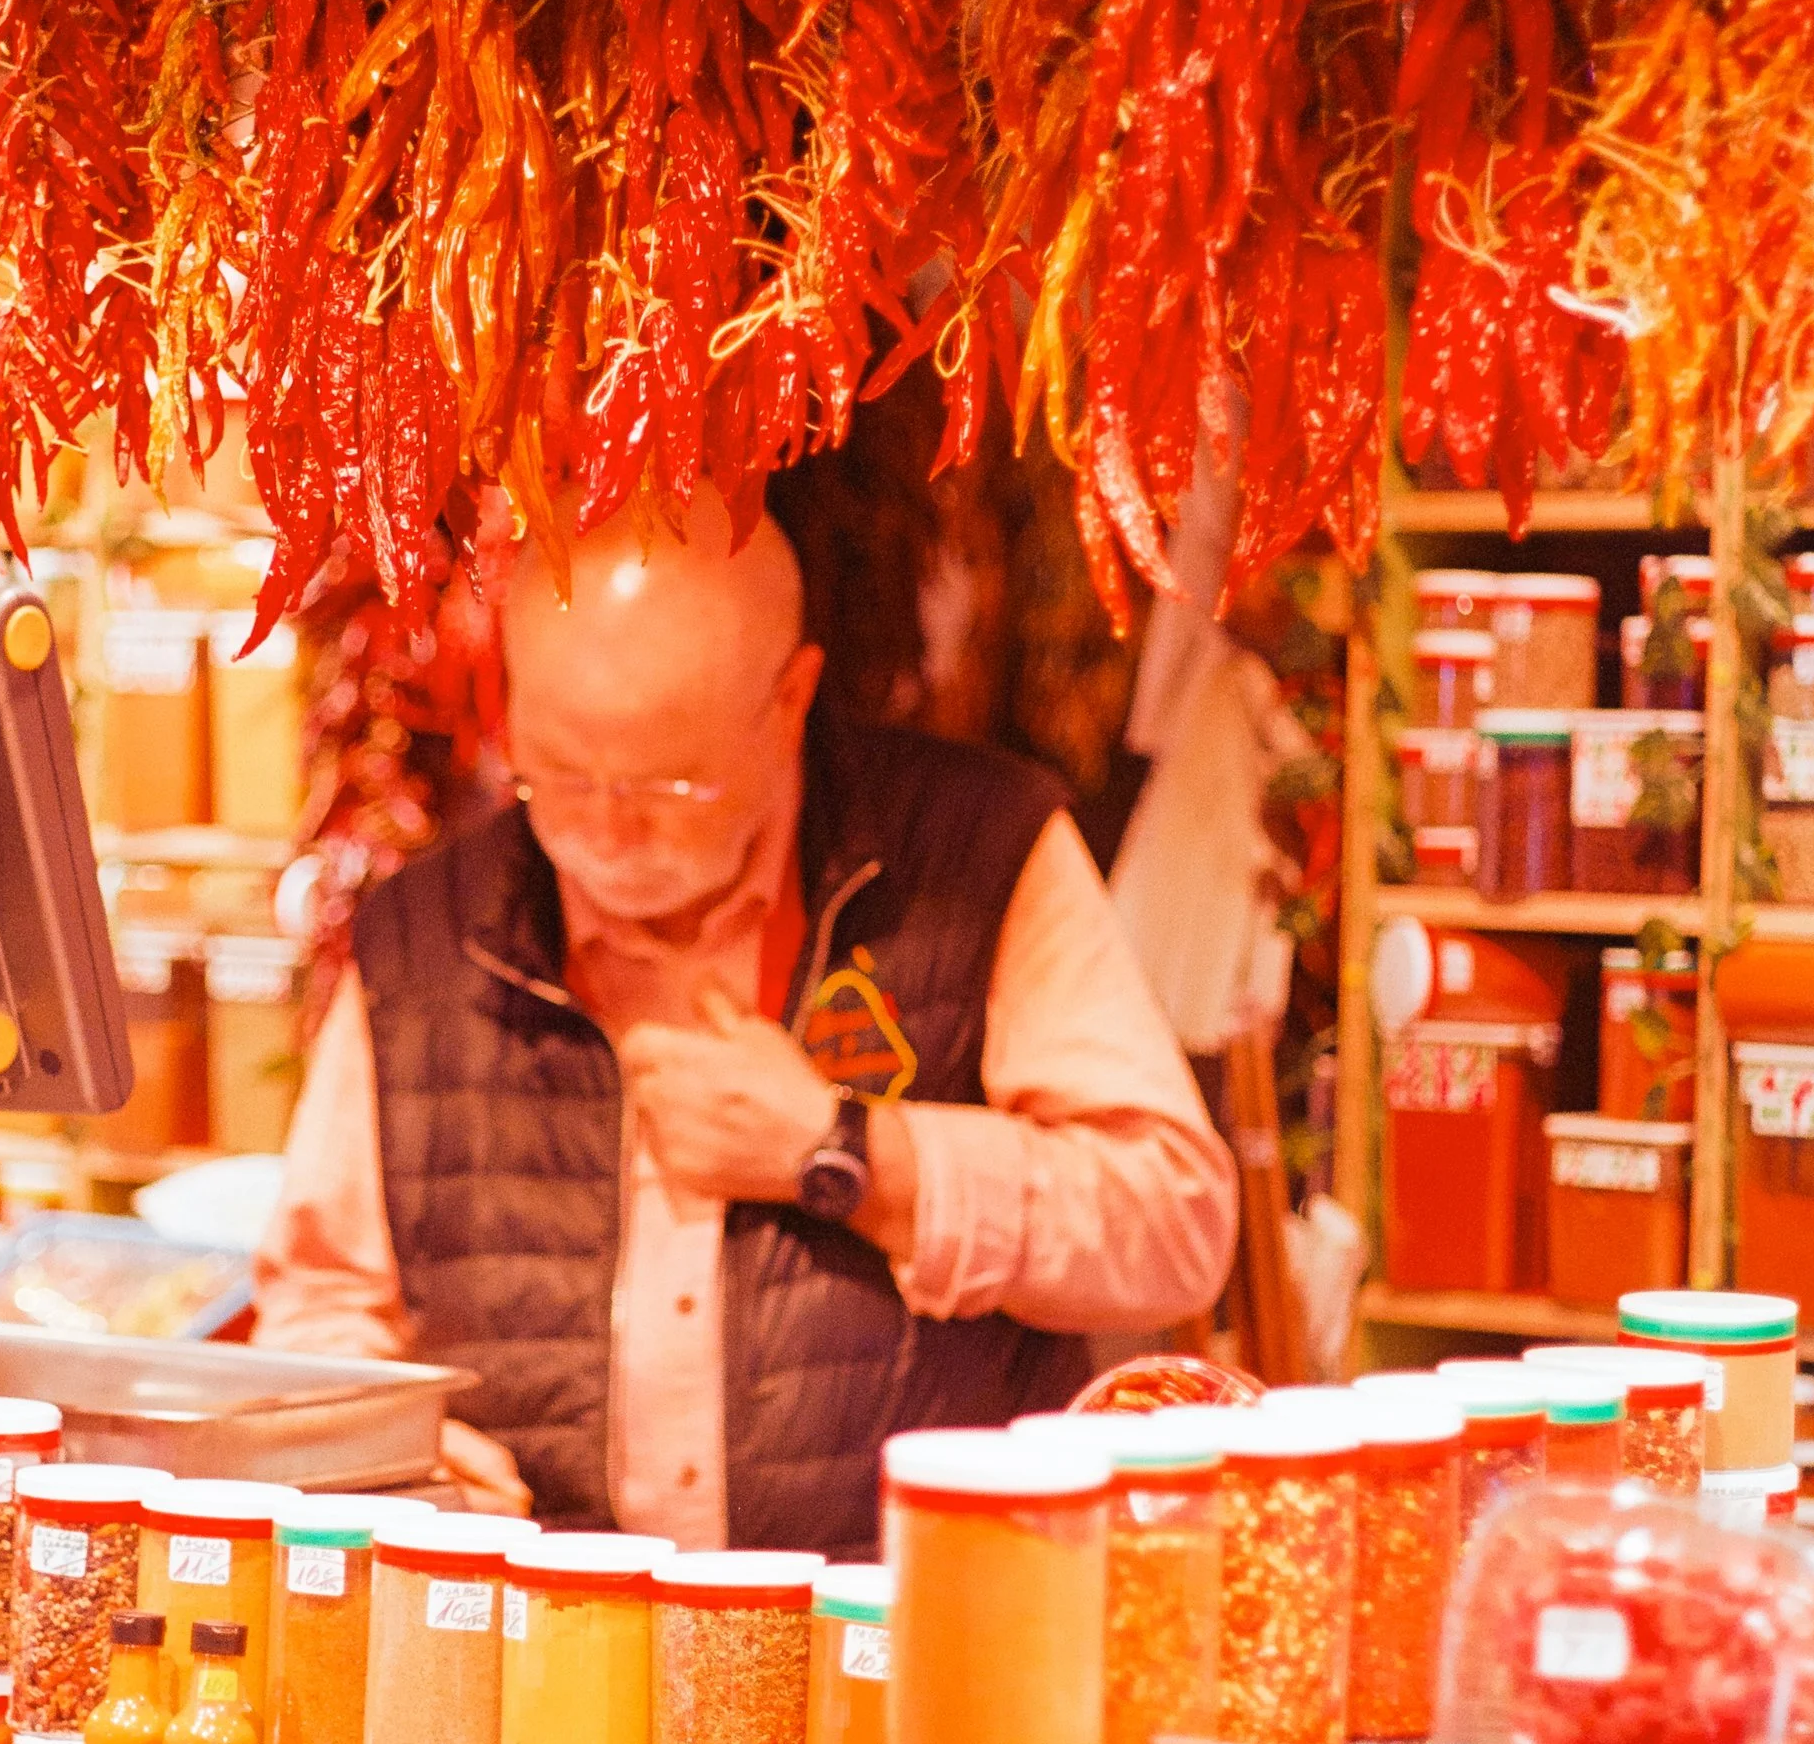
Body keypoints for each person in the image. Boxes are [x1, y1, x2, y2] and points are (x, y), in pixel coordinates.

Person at [252, 494, 1239, 1555]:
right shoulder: (427, 937)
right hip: (541, 1642)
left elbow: (1172, 1222)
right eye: (559, 775)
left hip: (910, 1624)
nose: (607, 830)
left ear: (791, 700)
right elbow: (321, 1298)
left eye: (670, 782)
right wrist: (386, 1438)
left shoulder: (973, 854)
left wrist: (853, 1153)